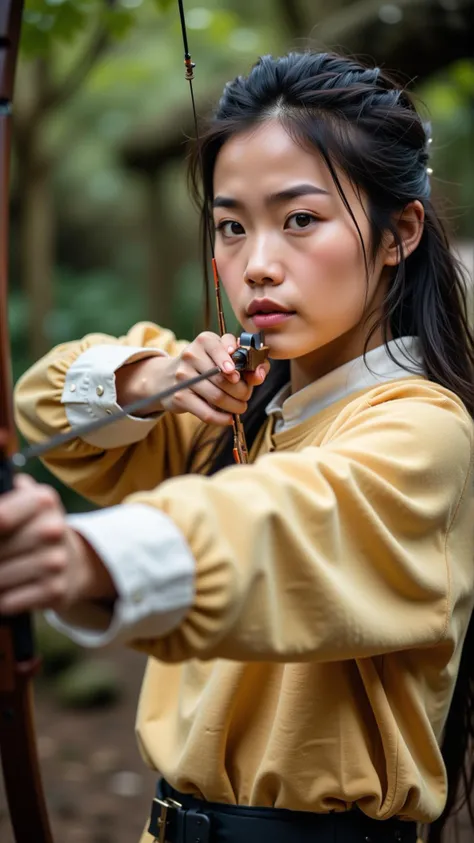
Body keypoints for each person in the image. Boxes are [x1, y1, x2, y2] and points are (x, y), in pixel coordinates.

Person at [1, 51, 473, 843]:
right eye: (230, 225)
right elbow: (45, 409)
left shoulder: (422, 427)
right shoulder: (237, 410)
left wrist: (85, 559)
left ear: (400, 233)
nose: (255, 264)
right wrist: (150, 376)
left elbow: (281, 524)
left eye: (300, 219)